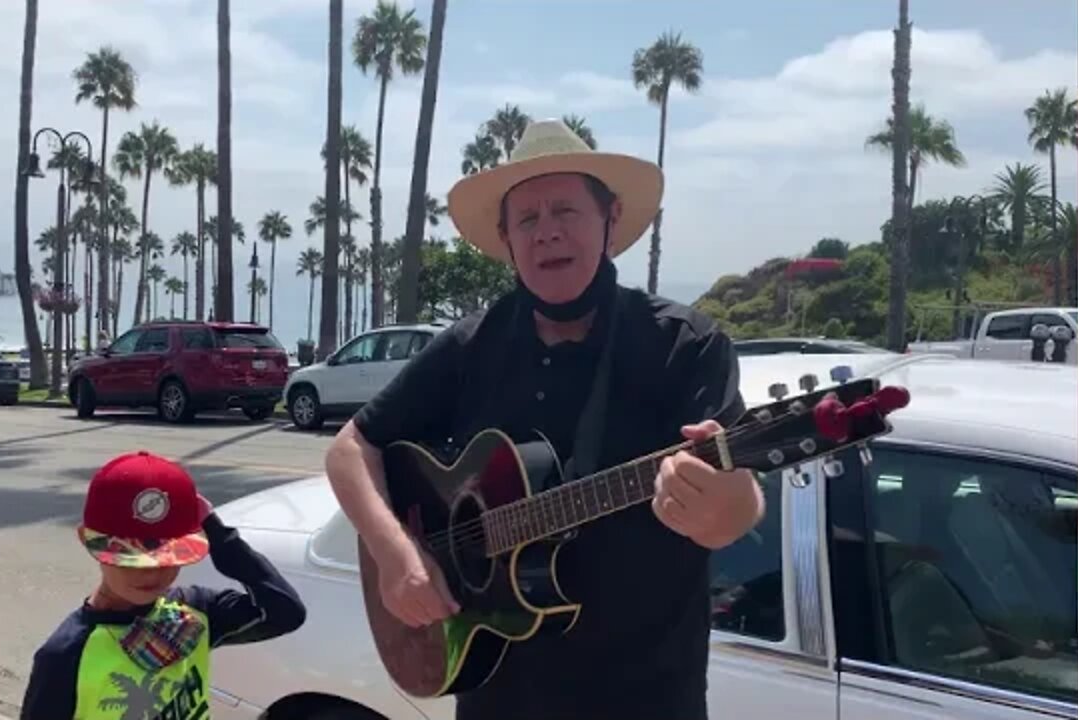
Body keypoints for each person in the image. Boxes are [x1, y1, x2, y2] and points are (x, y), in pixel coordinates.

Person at [324, 119, 764, 720]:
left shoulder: (682, 346)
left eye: (565, 210)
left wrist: (725, 503)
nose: (547, 232)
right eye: (527, 219)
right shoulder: (471, 344)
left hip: (646, 698)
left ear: (609, 219)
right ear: (506, 238)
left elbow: (734, 513)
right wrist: (397, 556)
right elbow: (351, 448)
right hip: (499, 698)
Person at [19, 451, 306, 720]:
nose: (150, 573)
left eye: (168, 557)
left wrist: (218, 532)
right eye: (129, 556)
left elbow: (284, 612)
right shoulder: (66, 656)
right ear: (87, 539)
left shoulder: (193, 613)